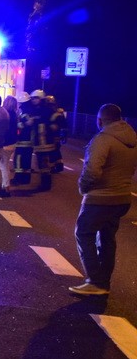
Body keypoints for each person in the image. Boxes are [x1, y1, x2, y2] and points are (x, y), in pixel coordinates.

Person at [69, 103, 137, 296]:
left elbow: (91, 170)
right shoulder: (132, 138)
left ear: (100, 120)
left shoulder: (103, 139)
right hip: (122, 197)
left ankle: (95, 281)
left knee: (84, 233)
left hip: (101, 198)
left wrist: (83, 187)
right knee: (107, 238)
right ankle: (103, 282)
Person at [0, 95, 20, 197]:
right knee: (5, 165)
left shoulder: (6, 115)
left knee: (3, 165)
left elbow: (4, 130)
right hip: (12, 143)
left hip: (6, 143)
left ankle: (5, 187)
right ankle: (4, 186)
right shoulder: (15, 115)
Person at [46, 95, 68, 173]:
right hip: (56, 135)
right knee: (56, 151)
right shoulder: (58, 112)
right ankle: (59, 166)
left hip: (54, 135)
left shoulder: (56, 113)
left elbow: (62, 125)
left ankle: (54, 167)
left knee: (53, 151)